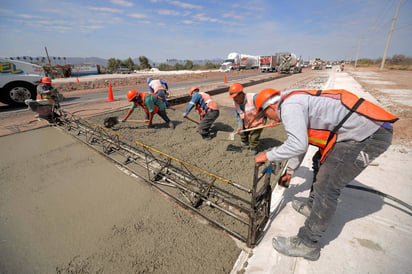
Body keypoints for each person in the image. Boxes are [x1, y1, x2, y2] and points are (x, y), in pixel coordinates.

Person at [253, 88, 398, 261]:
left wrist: (267, 155)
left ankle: (308, 244)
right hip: (357, 134)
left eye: (266, 115)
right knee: (319, 160)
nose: (270, 119)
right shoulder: (294, 102)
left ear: (270, 106)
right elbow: (301, 145)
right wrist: (290, 172)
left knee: (327, 186)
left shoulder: (289, 106)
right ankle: (313, 206)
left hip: (370, 135)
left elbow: (297, 145)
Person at [228, 83, 266, 156]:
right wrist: (240, 126)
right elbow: (239, 116)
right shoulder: (236, 103)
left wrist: (265, 115)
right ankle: (245, 143)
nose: (234, 99)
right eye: (233, 97)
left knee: (254, 137)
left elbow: (266, 106)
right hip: (247, 120)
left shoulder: (253, 98)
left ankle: (253, 148)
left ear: (241, 94)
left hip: (258, 121)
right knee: (242, 131)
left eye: (235, 97)